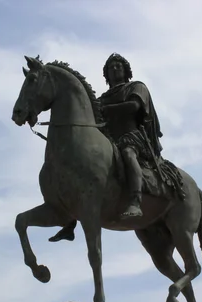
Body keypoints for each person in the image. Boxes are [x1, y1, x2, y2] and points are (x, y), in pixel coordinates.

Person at [48, 53, 165, 243]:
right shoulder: (102, 98)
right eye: (111, 67)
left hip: (132, 137)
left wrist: (107, 109)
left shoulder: (136, 87)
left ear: (126, 70)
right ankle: (69, 221)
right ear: (106, 74)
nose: (115, 68)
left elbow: (134, 106)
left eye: (119, 65)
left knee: (128, 154)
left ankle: (135, 201)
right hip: (110, 140)